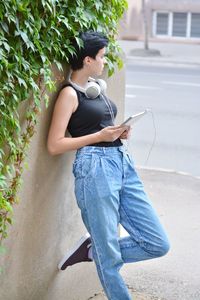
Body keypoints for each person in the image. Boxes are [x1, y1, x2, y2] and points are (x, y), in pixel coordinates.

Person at [47, 31, 170, 300]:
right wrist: (100, 137)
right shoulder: (69, 94)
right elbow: (54, 144)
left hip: (121, 162)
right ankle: (103, 255)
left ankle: (94, 251)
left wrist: (118, 132)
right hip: (94, 168)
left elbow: (101, 127)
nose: (105, 62)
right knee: (110, 258)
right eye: (101, 57)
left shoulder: (97, 87)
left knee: (158, 243)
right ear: (88, 60)